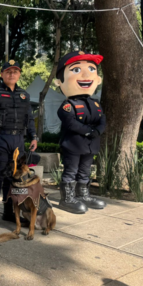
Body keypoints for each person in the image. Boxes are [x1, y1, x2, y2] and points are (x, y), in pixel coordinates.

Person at [0, 60, 38, 228]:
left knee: (13, 178)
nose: (12, 74)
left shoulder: (24, 95)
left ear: (19, 74)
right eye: (8, 71)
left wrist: (34, 137)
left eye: (15, 71)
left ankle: (9, 211)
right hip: (0, 139)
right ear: (2, 74)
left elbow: (30, 119)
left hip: (18, 140)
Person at [55, 51, 106, 214]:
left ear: (98, 79)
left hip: (90, 145)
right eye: (76, 70)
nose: (86, 75)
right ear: (59, 81)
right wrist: (89, 131)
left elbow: (102, 119)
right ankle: (67, 198)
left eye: (91, 69)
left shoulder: (95, 103)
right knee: (71, 170)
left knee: (85, 169)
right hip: (74, 144)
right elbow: (70, 122)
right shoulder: (68, 104)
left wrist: (97, 131)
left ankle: (83, 194)